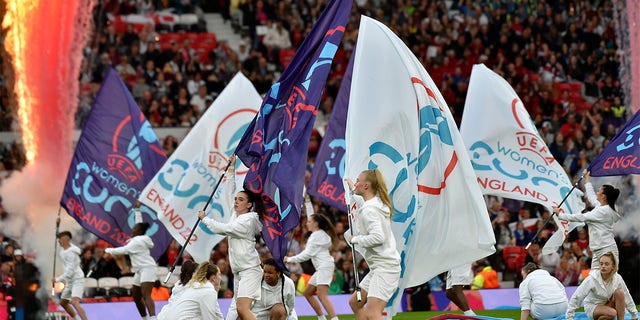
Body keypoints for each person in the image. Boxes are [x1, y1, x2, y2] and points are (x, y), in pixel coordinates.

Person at [198, 154, 263, 320]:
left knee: (242, 309)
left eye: (240, 200)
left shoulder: (248, 219)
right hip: (239, 270)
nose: (236, 201)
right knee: (235, 309)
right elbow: (229, 192)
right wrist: (231, 169)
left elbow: (226, 229)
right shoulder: (237, 214)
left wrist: (205, 219)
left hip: (250, 269)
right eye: (236, 199)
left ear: (249, 204)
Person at [344, 169, 401, 320]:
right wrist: (352, 188)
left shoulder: (370, 209)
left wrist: (355, 239)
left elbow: (378, 237)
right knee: (355, 303)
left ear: (366, 185)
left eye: (357, 180)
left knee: (372, 313)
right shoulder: (374, 203)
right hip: (380, 267)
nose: (355, 183)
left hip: (385, 268)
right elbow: (364, 204)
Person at [554, 169, 621, 269]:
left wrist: (561, 215)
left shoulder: (603, 211)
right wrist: (587, 179)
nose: (597, 192)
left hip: (606, 250)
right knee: (597, 279)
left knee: (609, 279)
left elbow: (581, 217)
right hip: (599, 249)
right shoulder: (603, 207)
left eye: (599, 190)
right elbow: (591, 197)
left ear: (603, 196)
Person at [284, 212, 338, 320]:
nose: (306, 223)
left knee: (322, 296)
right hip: (322, 267)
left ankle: (334, 319)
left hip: (324, 267)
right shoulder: (320, 233)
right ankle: (321, 318)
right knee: (307, 292)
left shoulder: (315, 236)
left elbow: (306, 255)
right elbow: (312, 214)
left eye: (309, 222)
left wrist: (289, 259)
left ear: (316, 224)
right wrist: (308, 202)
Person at [106, 221, 156, 320]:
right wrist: (137, 210)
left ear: (140, 231)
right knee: (136, 297)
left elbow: (124, 250)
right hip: (139, 270)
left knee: (146, 295)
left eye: (135, 228)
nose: (132, 230)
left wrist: (108, 250)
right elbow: (139, 222)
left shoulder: (136, 241)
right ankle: (145, 318)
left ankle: (154, 318)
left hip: (147, 268)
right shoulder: (140, 238)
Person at [565, 252, 638, 320]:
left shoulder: (617, 278)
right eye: (601, 264)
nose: (603, 266)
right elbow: (578, 296)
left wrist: (634, 315)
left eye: (606, 264)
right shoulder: (591, 279)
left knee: (620, 292)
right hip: (593, 307)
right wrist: (569, 316)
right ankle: (605, 315)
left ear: (613, 266)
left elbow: (626, 295)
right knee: (612, 313)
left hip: (608, 304)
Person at [157, 261, 223, 320]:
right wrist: (215, 290)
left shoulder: (189, 287)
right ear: (213, 278)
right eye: (219, 274)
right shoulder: (206, 290)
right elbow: (210, 317)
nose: (221, 277)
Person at [52, 230, 88, 320]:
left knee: (75, 302)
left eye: (60, 239)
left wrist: (57, 279)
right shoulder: (62, 251)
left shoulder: (71, 253)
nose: (59, 241)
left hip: (77, 279)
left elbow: (70, 272)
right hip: (70, 281)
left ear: (65, 240)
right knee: (63, 303)